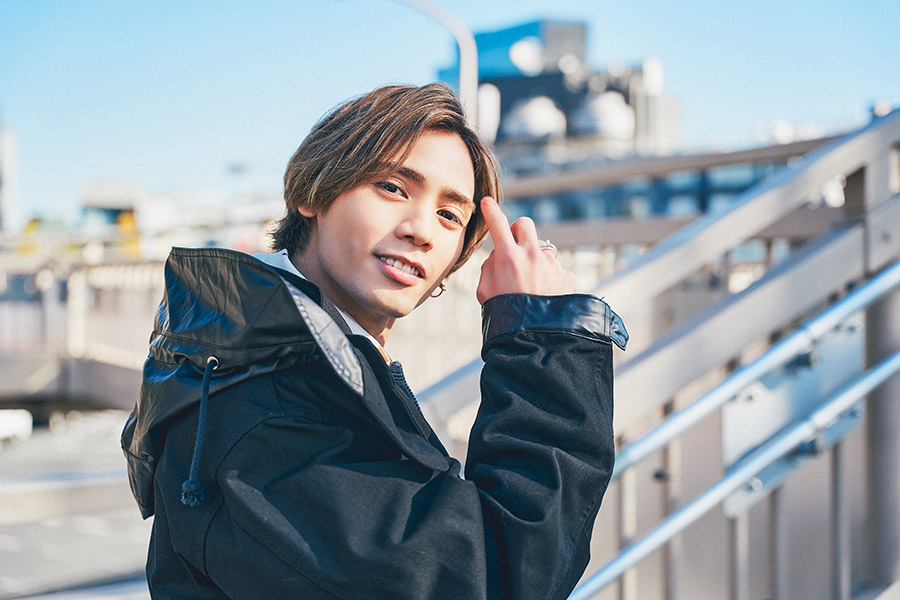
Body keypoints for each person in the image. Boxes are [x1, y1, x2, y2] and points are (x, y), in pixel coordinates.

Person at [121, 82, 628, 600]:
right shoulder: (269, 404)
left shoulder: (286, 358)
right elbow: (497, 575)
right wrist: (542, 338)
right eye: (392, 187)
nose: (421, 229)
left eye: (450, 215)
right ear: (311, 193)